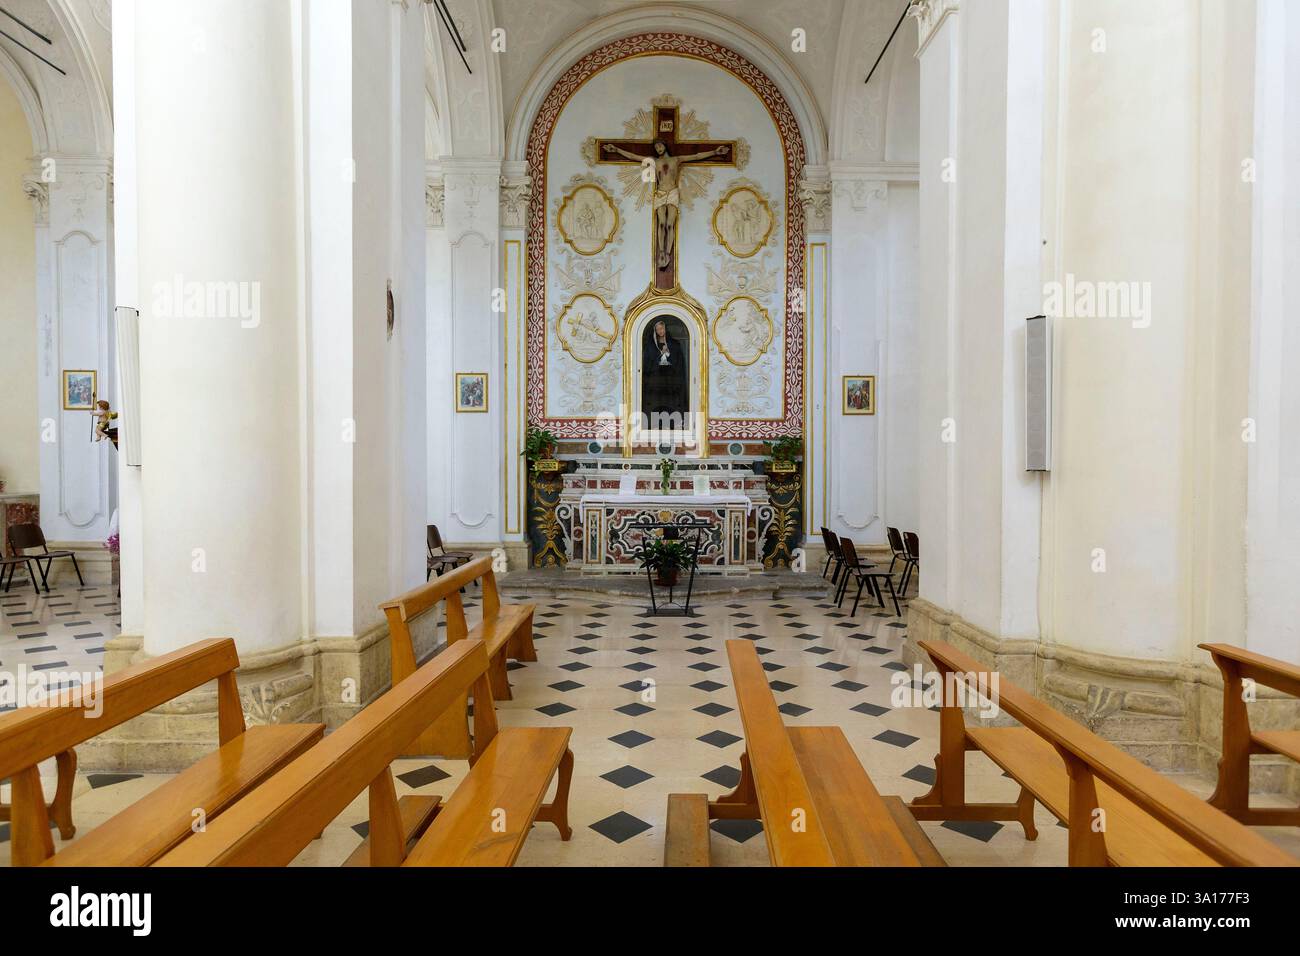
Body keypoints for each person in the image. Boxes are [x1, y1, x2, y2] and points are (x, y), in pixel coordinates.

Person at [642, 318, 689, 427]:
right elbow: (647, 364)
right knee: (657, 402)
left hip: (671, 381)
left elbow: (679, 362)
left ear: (665, 329)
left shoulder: (674, 344)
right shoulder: (651, 345)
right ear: (655, 331)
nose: (660, 331)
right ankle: (655, 425)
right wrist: (660, 354)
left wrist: (669, 355)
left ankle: (672, 424)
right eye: (658, 329)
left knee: (670, 403)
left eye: (662, 328)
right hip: (655, 380)